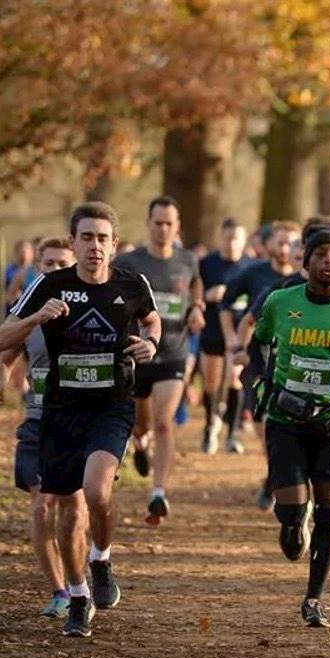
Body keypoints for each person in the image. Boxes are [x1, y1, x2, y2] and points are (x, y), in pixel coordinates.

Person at [0, 201, 160, 638]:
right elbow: (4, 338)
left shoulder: (131, 283)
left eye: (102, 238)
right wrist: (37, 317)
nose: (94, 246)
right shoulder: (50, 284)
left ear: (114, 244)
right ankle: (77, 596)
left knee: (96, 489)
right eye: (86, 237)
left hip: (112, 405)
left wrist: (151, 343)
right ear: (73, 242)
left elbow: (152, 320)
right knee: (68, 508)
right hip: (61, 409)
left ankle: (101, 558)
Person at [252, 227, 330, 627]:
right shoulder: (280, 302)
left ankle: (314, 598)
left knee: (329, 508)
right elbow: (259, 343)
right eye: (320, 254)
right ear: (305, 262)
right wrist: (261, 383)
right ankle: (292, 523)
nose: (328, 261)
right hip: (285, 420)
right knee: (290, 511)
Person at [0, 237, 83, 618]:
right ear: (39, 268)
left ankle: (85, 574)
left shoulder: (90, 310)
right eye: (48, 264)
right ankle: (60, 591)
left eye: (62, 264)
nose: (54, 270)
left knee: (75, 508)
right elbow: (5, 356)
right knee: (41, 507)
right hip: (37, 421)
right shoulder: (29, 315)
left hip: (81, 423)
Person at [116, 196, 203, 525]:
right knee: (142, 424)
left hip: (174, 352)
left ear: (177, 226)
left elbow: (196, 285)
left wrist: (197, 308)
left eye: (169, 223)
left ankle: (158, 493)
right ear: (148, 223)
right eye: (158, 223)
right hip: (138, 352)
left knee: (164, 421)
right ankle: (141, 444)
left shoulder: (187, 260)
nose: (163, 229)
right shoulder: (129, 262)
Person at [220, 221, 301, 507]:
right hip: (260, 363)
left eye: (293, 244)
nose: (286, 249)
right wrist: (237, 345)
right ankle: (275, 473)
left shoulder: (318, 290)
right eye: (282, 242)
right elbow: (233, 310)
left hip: (295, 368)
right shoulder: (260, 279)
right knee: (264, 428)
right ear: (270, 244)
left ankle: (280, 479)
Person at [198, 218, 250, 454]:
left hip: (239, 333)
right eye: (227, 238)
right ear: (220, 238)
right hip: (212, 329)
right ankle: (210, 426)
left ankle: (232, 434)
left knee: (234, 379)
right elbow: (194, 294)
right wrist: (208, 295)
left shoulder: (250, 266)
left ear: (244, 240)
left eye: (235, 238)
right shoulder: (207, 264)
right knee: (211, 382)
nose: (231, 243)